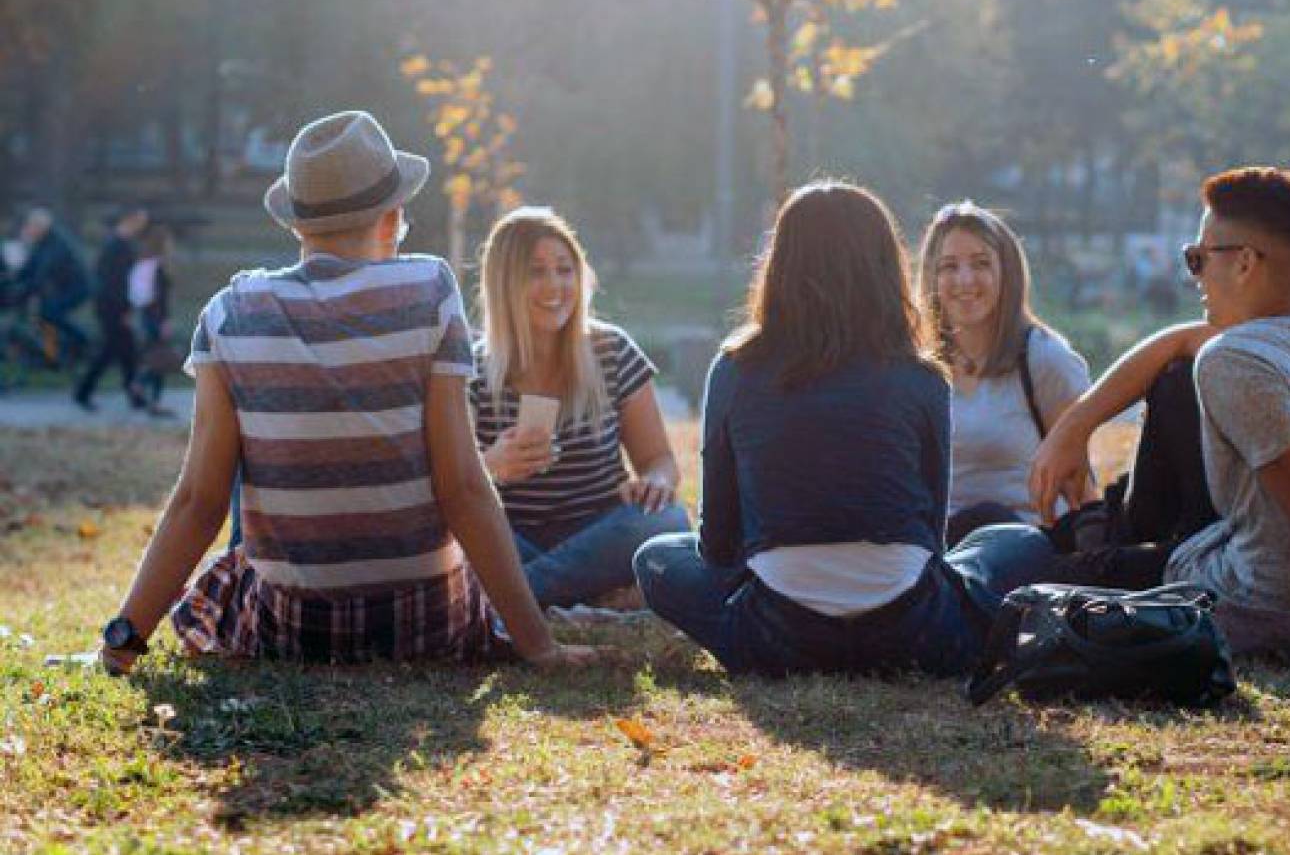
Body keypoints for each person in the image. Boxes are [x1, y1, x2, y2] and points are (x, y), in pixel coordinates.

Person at [97, 110, 593, 674]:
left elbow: (198, 502)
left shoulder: (230, 311)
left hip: (293, 631)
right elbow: (462, 486)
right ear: (394, 215)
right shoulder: (429, 290)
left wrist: (123, 639)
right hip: (425, 623)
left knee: (244, 510)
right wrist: (539, 647)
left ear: (296, 224)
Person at [949, 166, 1290, 686]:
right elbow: (1178, 343)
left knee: (1005, 572)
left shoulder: (1236, 362)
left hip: (1259, 606)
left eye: (1199, 258)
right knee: (1171, 381)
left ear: (1245, 264)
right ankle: (1102, 537)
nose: (1194, 276)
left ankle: (1090, 546)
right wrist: (1074, 426)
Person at [633, 180, 985, 677]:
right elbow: (933, 538)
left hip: (777, 633)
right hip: (914, 631)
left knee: (656, 559)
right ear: (886, 269)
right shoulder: (922, 377)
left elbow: (717, 543)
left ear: (780, 265)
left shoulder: (735, 367)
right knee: (1014, 544)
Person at [470, 206, 689, 610]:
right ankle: (587, 593)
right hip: (514, 537)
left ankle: (515, 598)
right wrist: (491, 465)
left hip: (602, 531)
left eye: (565, 269)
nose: (555, 285)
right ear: (504, 282)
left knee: (668, 520)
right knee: (462, 537)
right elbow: (455, 489)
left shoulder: (613, 351)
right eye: (536, 272)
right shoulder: (471, 371)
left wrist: (655, 482)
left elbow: (659, 459)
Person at [915, 201, 1090, 544]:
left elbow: (1082, 490)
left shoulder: (1045, 359)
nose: (964, 280)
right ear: (932, 279)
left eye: (981, 264)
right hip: (941, 549)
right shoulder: (919, 369)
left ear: (1006, 272)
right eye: (949, 266)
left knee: (990, 521)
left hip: (1025, 548)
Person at [73, 206, 149, 411]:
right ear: (129, 219)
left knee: (127, 351)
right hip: (112, 307)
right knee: (111, 351)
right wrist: (124, 308)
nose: (143, 226)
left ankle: (134, 395)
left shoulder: (116, 244)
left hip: (110, 305)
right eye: (141, 221)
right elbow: (115, 282)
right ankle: (83, 392)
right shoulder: (118, 246)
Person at [13, 206, 91, 361]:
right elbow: (29, 268)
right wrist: (13, 281)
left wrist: (24, 290)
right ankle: (51, 355)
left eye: (31, 226)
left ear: (41, 227)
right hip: (64, 287)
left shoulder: (56, 243)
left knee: (51, 313)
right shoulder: (42, 242)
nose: (28, 229)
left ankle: (82, 340)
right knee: (46, 314)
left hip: (79, 286)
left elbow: (42, 274)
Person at [128, 223, 175, 416]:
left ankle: (145, 390)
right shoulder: (159, 267)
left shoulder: (142, 265)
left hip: (144, 316)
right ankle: (144, 389)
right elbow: (160, 297)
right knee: (159, 360)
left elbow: (136, 295)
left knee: (153, 358)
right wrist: (164, 321)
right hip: (156, 318)